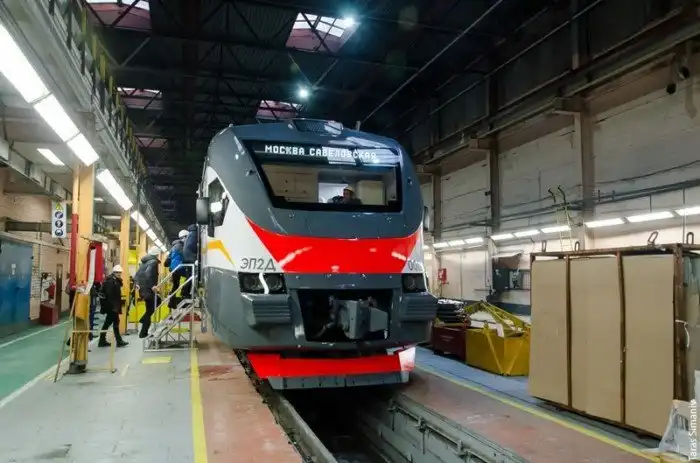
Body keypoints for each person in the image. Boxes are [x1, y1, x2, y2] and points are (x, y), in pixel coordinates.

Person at [133, 246, 161, 338]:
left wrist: (137, 284)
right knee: (156, 303)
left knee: (149, 309)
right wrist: (153, 285)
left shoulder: (143, 263)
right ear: (157, 254)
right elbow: (149, 274)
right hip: (148, 289)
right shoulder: (153, 262)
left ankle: (143, 332)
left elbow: (136, 276)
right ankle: (143, 319)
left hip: (143, 290)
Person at [97, 265, 128, 348]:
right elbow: (110, 295)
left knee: (108, 323)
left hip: (112, 306)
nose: (119, 274)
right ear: (114, 272)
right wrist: (114, 307)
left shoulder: (115, 280)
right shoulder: (111, 281)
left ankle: (102, 341)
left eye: (120, 272)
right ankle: (119, 341)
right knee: (115, 322)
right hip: (111, 306)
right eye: (117, 272)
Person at [165, 230, 187, 309]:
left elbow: (168, 258)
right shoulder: (180, 245)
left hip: (173, 269)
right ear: (184, 237)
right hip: (179, 267)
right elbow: (185, 254)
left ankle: (171, 302)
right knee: (190, 276)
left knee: (175, 285)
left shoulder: (173, 246)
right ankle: (184, 293)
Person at [181, 224, 198, 300]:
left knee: (189, 277)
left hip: (187, 259)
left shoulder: (190, 235)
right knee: (190, 277)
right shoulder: (193, 234)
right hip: (191, 259)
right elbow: (192, 245)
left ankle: (185, 293)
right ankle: (185, 293)